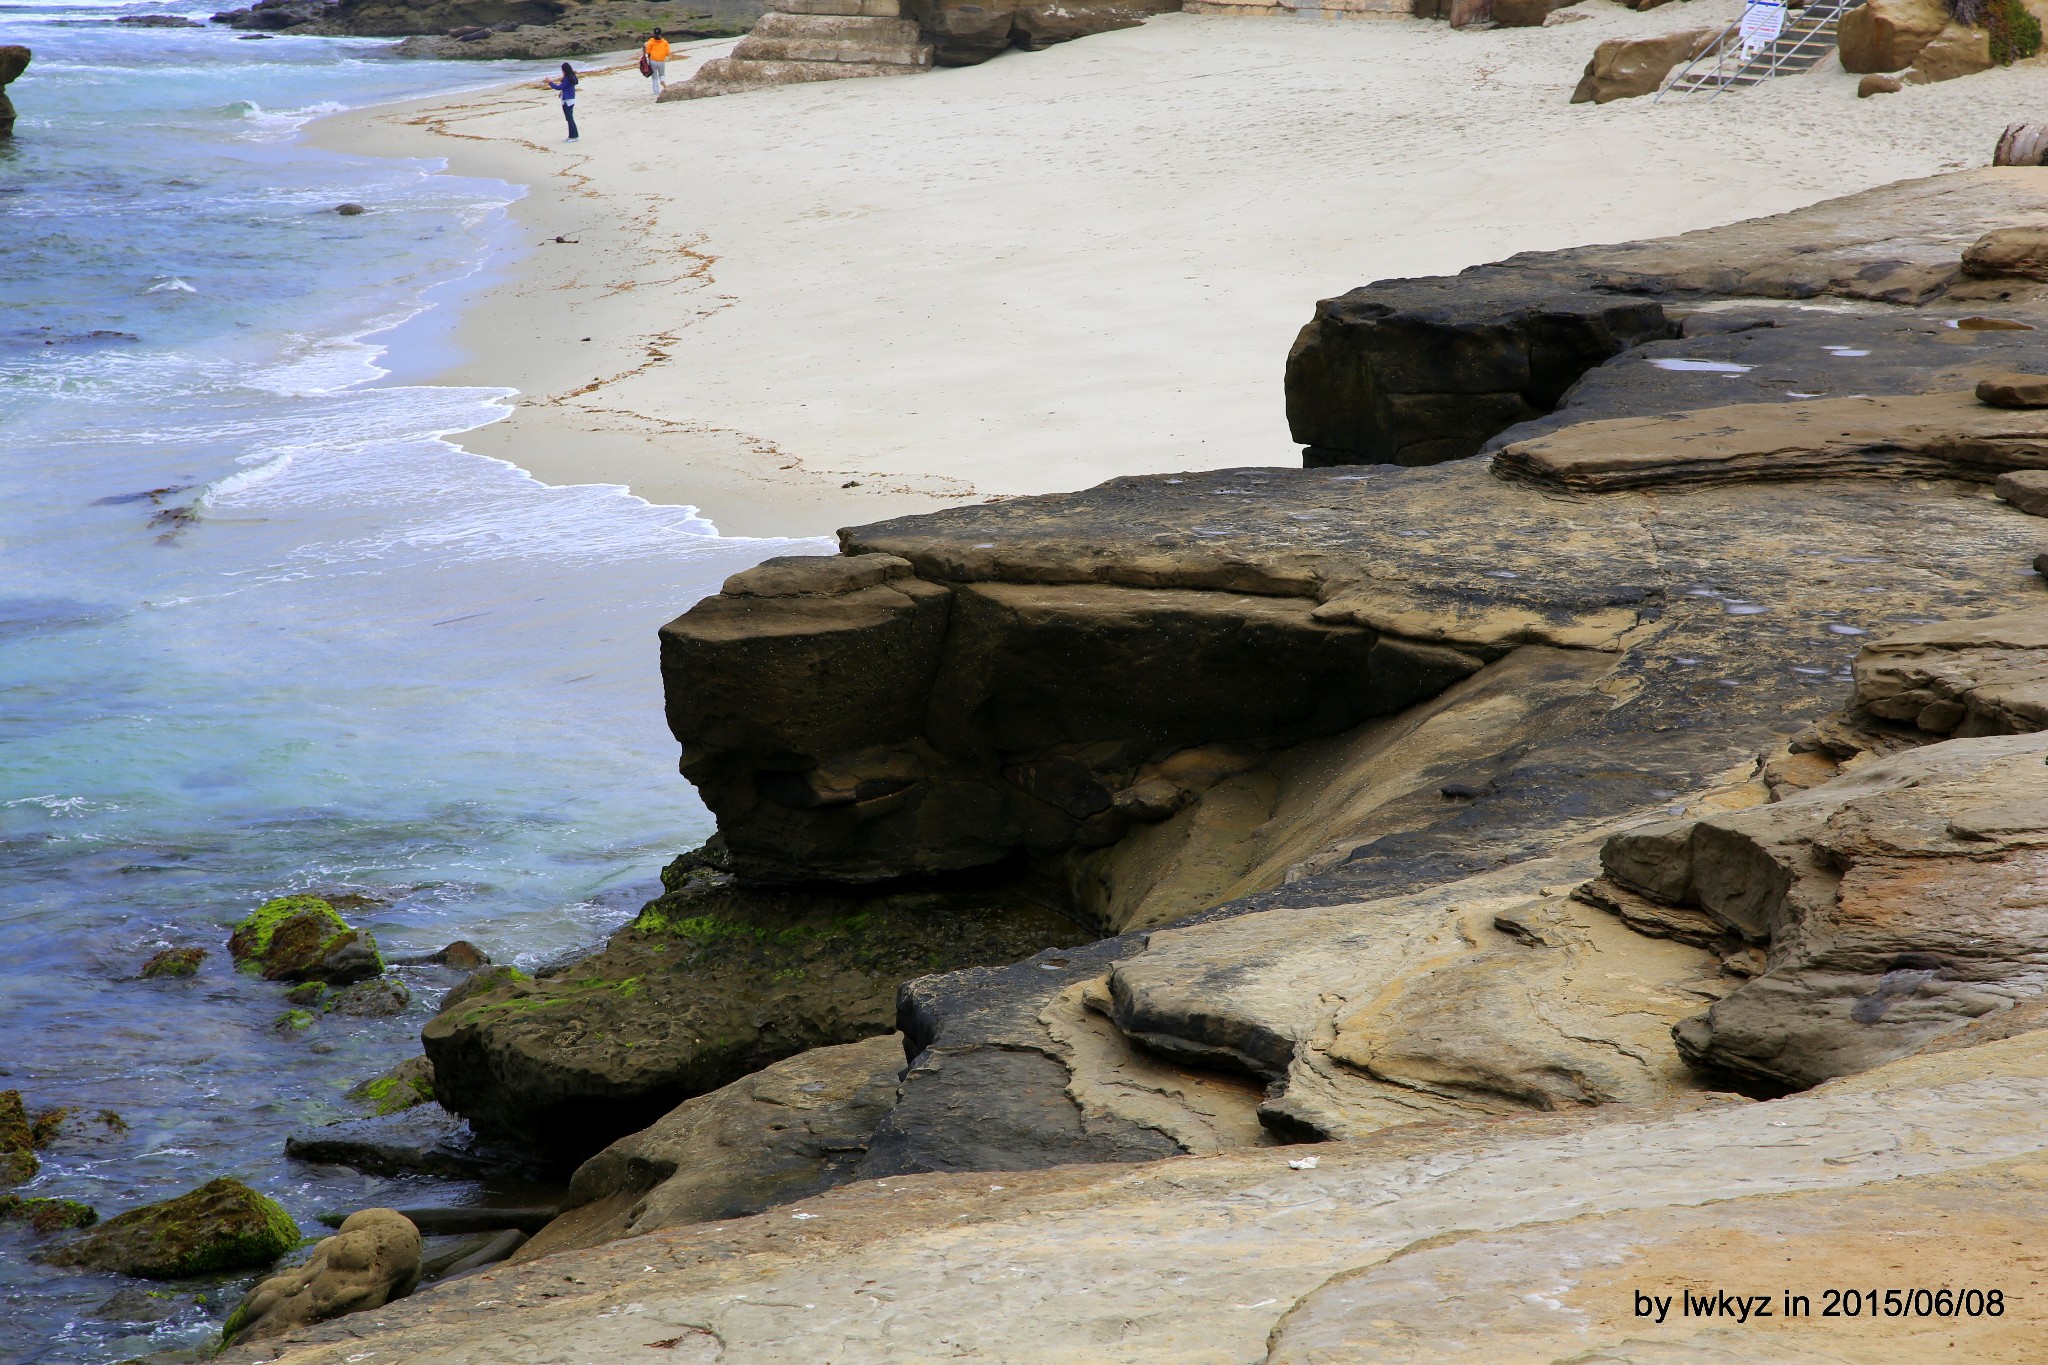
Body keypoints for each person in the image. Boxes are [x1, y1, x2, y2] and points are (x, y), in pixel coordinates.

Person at [545, 61, 578, 141]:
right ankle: (571, 136)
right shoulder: (570, 77)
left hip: (568, 100)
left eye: (562, 70)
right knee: (569, 118)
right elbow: (564, 87)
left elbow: (558, 87)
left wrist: (550, 82)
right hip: (568, 99)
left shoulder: (568, 78)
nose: (562, 71)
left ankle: (574, 137)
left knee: (569, 118)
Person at [642, 30, 670, 97]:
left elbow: (647, 52)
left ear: (654, 34)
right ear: (661, 34)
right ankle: (662, 81)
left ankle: (656, 91)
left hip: (653, 61)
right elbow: (667, 52)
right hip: (661, 61)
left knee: (654, 77)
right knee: (662, 74)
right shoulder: (665, 42)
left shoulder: (650, 42)